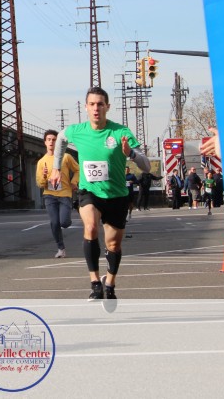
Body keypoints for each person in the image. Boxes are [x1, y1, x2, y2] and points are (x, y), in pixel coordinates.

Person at [51, 86, 149, 305]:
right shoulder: (77, 131)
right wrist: (56, 167)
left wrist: (131, 154)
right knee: (91, 227)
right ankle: (95, 283)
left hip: (116, 195)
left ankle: (110, 284)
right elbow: (60, 138)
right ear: (86, 107)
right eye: (92, 104)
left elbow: (146, 165)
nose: (96, 108)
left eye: (100, 104)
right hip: (90, 192)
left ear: (107, 107)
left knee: (113, 245)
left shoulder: (120, 132)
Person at [35, 129, 79, 258]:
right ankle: (61, 248)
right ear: (45, 142)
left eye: (54, 140)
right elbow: (39, 183)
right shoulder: (41, 162)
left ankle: (71, 212)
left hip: (65, 194)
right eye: (49, 140)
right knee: (54, 223)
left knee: (64, 222)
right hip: (49, 195)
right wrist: (44, 177)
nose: (51, 142)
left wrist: (74, 182)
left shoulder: (66, 157)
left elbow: (78, 170)